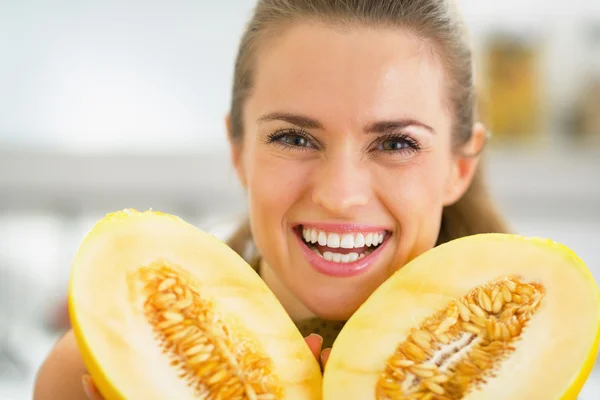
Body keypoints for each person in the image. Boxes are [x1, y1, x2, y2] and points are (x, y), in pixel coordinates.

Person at [33, 0, 508, 398]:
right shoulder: (85, 374)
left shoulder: (521, 383)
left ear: (458, 167)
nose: (341, 196)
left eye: (395, 143)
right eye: (295, 138)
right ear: (239, 151)